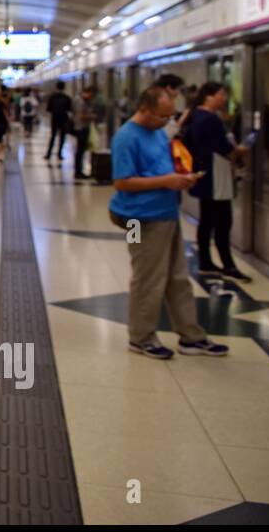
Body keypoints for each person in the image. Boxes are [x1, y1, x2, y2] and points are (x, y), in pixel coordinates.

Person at [109, 86, 228, 359]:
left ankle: (191, 336)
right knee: (147, 278)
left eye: (169, 116)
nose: (166, 122)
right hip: (139, 218)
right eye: (162, 116)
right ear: (145, 110)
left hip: (166, 214)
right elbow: (122, 181)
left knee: (177, 278)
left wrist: (182, 177)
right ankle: (141, 337)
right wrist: (167, 181)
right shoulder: (127, 137)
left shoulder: (157, 133)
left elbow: (163, 167)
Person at [185, 83, 250, 281]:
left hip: (206, 175)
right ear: (208, 96)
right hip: (217, 178)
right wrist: (239, 151)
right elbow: (223, 147)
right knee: (222, 221)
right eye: (221, 95)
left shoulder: (196, 116)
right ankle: (228, 265)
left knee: (207, 220)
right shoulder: (209, 119)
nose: (224, 99)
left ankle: (206, 261)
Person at [72, 85, 102, 179]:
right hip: (81, 128)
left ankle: (79, 170)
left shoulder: (84, 101)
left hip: (83, 127)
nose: (92, 98)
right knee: (80, 151)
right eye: (92, 95)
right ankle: (78, 172)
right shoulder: (80, 101)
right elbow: (81, 116)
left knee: (81, 150)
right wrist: (92, 117)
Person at [44, 82, 73, 162]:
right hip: (64, 119)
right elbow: (69, 110)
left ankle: (48, 154)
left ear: (56, 87)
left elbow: (49, 109)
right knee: (62, 138)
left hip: (54, 119)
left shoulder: (52, 97)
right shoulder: (67, 98)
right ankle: (59, 154)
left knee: (53, 136)